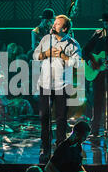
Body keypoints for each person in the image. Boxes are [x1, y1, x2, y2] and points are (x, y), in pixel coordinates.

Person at [33, 14, 81, 163]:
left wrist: (63, 56)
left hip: (62, 86)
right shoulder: (46, 39)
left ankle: (60, 148)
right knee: (44, 117)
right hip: (45, 85)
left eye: (58, 24)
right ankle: (45, 148)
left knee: (61, 119)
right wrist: (45, 54)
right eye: (54, 23)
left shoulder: (73, 44)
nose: (54, 25)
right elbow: (35, 56)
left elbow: (78, 64)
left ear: (65, 28)